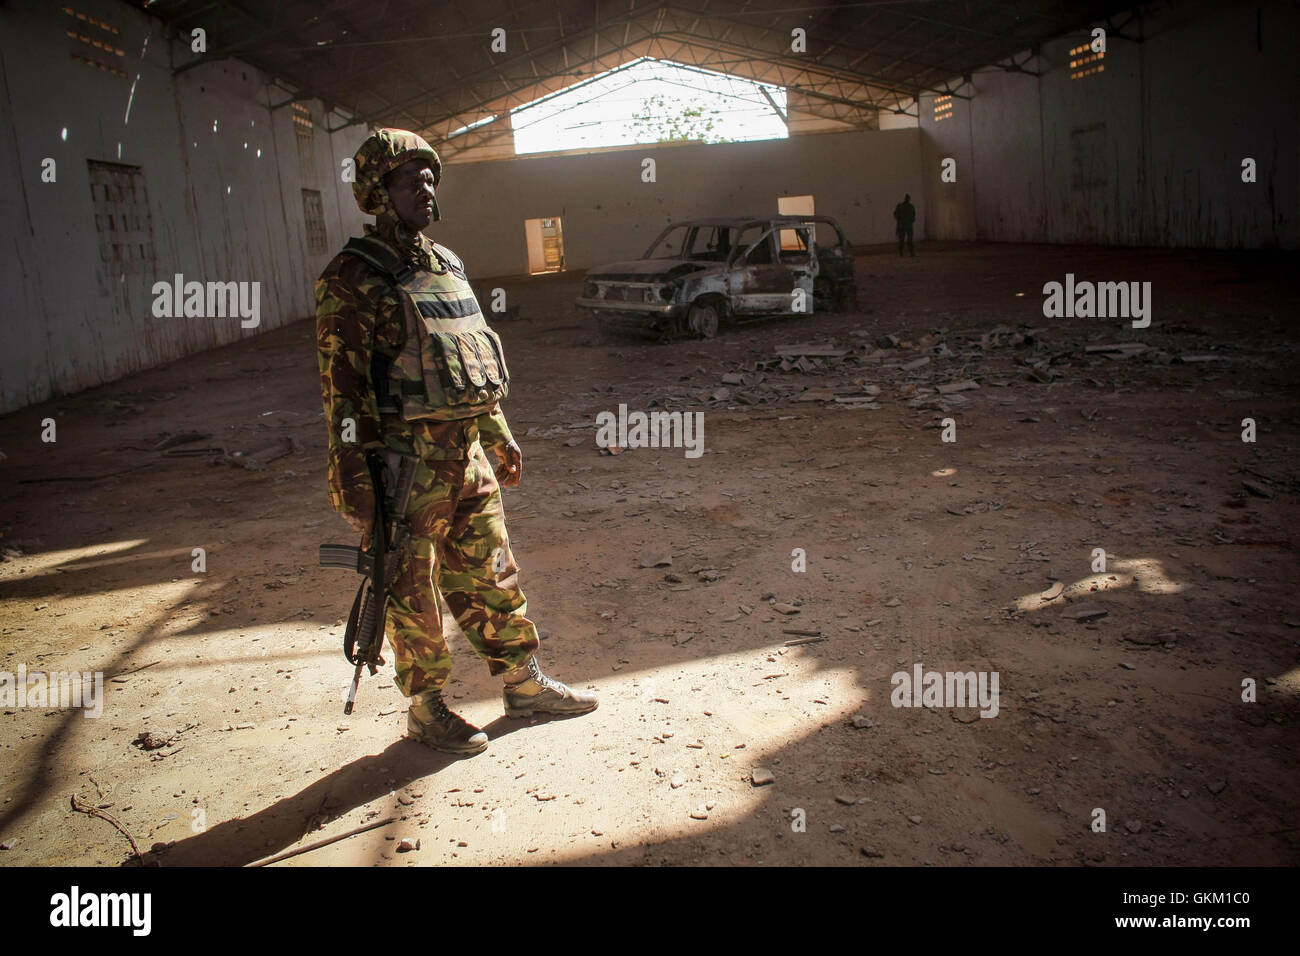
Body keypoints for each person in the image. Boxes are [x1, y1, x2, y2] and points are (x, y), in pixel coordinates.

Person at [315, 128, 596, 757]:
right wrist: (354, 484)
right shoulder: (351, 278)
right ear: (374, 191)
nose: (425, 187)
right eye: (409, 178)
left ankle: (524, 685)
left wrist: (498, 434)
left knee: (493, 573)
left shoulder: (447, 264)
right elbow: (344, 393)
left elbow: (471, 359)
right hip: (405, 470)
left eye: (429, 175)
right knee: (412, 591)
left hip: (466, 457)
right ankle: (427, 709)